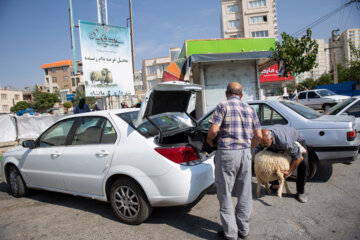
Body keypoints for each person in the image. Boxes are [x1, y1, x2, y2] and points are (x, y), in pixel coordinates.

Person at [207, 82, 262, 240]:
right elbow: (259, 136)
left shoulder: (223, 106)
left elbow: (213, 130)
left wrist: (210, 140)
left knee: (225, 193)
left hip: (227, 154)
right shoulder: (250, 109)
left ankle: (230, 234)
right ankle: (243, 230)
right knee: (245, 192)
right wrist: (248, 147)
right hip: (245, 154)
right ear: (241, 95)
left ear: (226, 93)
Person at [256, 126, 309, 203]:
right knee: (271, 160)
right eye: (262, 143)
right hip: (276, 144)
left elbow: (299, 158)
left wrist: (289, 171)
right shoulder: (263, 139)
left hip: (296, 141)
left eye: (265, 143)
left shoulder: (284, 141)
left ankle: (301, 191)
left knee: (303, 163)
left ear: (271, 139)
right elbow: (257, 150)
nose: (263, 145)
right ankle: (275, 184)